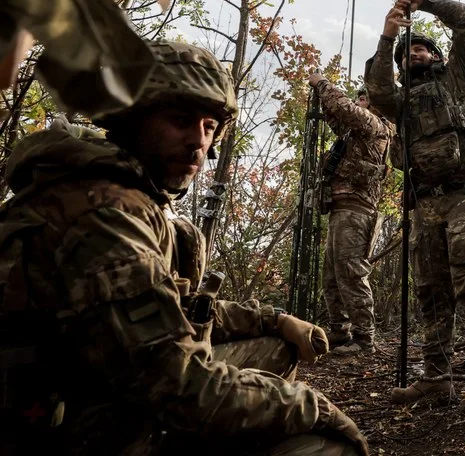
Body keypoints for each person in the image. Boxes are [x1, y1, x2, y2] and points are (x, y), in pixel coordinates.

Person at [0, 41, 368, 455]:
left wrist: (275, 319)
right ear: (132, 119)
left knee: (274, 345)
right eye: (179, 120)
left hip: (90, 393)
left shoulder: (113, 192)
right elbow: (179, 386)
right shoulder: (105, 213)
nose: (198, 141)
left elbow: (169, 306)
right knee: (324, 447)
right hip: (60, 431)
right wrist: (314, 408)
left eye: (209, 126)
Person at [364, 0, 465, 412]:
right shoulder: (400, 102)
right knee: (430, 291)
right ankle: (437, 379)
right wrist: (389, 34)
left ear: (437, 55)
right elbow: (376, 90)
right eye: (407, 51)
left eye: (421, 47)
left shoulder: (459, 79)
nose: (413, 53)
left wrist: (423, 2)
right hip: (426, 205)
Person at [308, 74, 393, 356]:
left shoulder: (376, 125)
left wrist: (322, 84)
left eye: (365, 97)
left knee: (352, 273)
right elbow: (336, 116)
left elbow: (343, 108)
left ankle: (364, 339)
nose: (359, 100)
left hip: (356, 210)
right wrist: (322, 96)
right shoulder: (354, 133)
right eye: (358, 96)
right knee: (331, 275)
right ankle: (339, 331)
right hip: (341, 209)